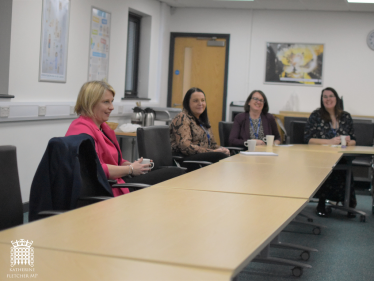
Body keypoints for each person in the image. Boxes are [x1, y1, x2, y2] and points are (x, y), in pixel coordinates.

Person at [66, 81, 184, 196]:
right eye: (106, 102)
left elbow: (116, 161)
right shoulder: (81, 131)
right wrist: (131, 169)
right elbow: (97, 169)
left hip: (118, 181)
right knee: (176, 173)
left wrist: (134, 165)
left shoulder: (103, 128)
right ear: (90, 103)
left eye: (111, 102)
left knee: (171, 172)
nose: (111, 107)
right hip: (109, 188)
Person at [304, 87, 356, 217]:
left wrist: (349, 142)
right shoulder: (316, 115)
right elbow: (308, 139)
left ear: (336, 98)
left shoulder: (346, 116)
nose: (328, 99)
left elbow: (354, 140)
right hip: (322, 156)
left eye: (331, 96)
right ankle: (321, 202)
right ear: (322, 100)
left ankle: (348, 204)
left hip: (342, 155)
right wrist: (329, 141)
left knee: (345, 166)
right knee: (328, 166)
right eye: (325, 97)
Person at [169, 87, 229, 169]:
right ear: (188, 103)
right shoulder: (182, 117)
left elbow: (213, 144)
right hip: (186, 158)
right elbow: (185, 146)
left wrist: (221, 149)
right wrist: (213, 152)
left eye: (203, 100)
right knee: (220, 156)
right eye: (195, 101)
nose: (200, 103)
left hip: (202, 156)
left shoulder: (203, 119)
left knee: (225, 154)